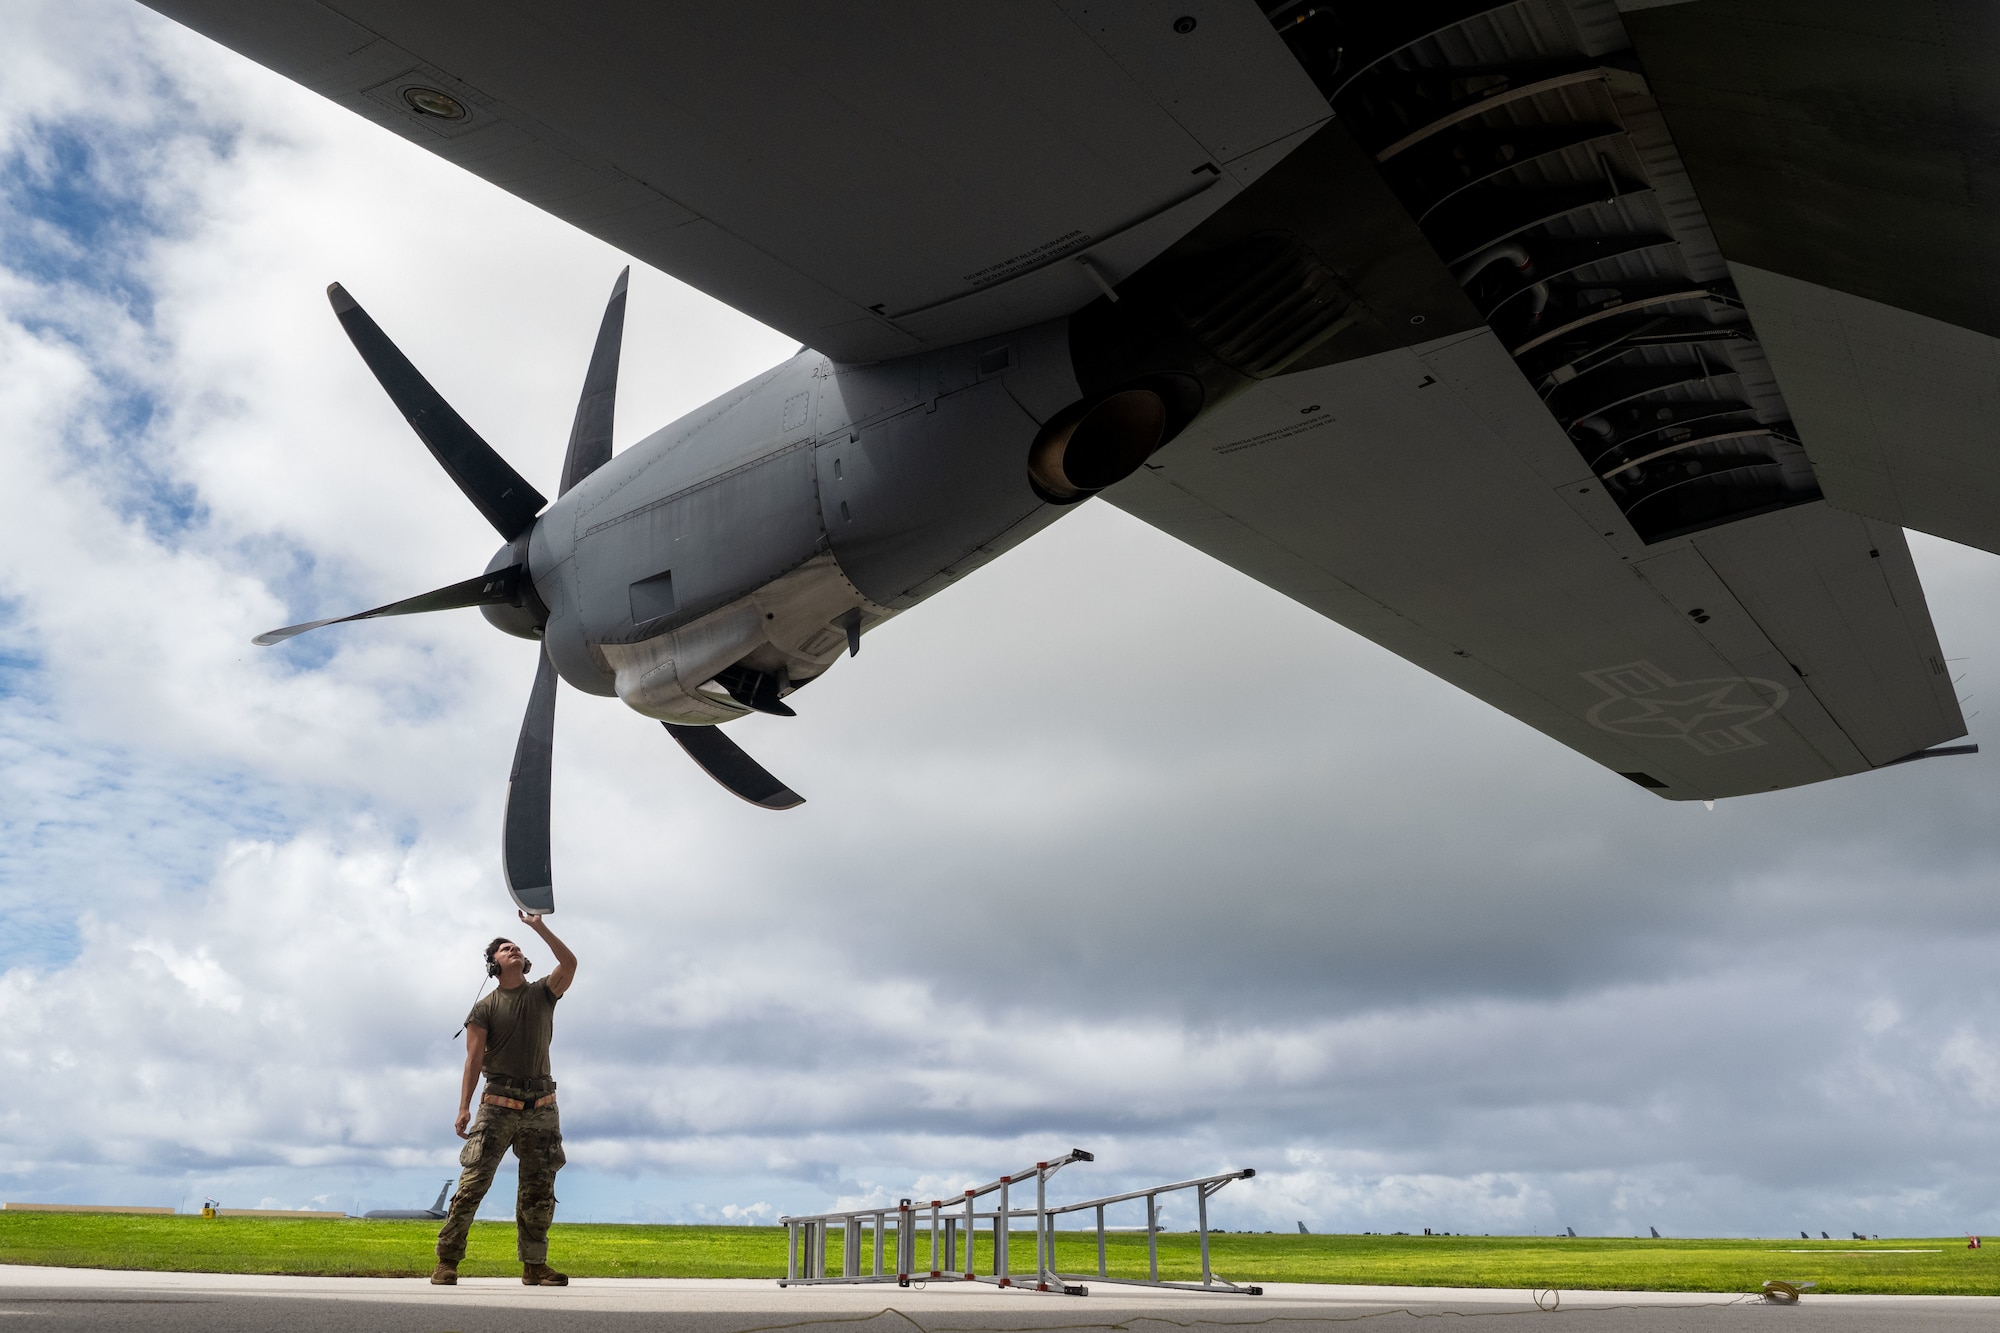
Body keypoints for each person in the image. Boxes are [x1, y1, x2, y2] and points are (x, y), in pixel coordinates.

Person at [432, 910, 577, 1286]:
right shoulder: (484, 1008)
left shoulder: (544, 992)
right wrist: (464, 1108)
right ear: (493, 965)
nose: (512, 950)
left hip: (542, 1105)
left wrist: (537, 925)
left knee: (539, 1190)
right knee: (473, 1184)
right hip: (497, 1105)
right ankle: (447, 1262)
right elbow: (473, 1061)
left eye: (516, 947)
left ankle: (534, 1266)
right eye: (503, 949)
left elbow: (570, 962)